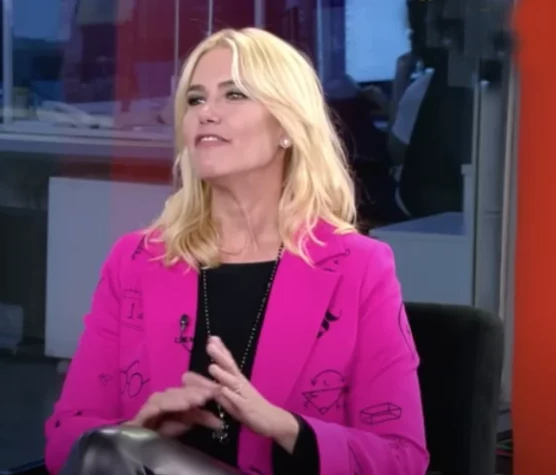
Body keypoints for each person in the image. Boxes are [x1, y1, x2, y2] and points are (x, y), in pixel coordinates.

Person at [45, 27, 429, 475]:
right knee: (105, 450)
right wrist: (137, 432)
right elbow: (66, 438)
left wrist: (282, 426)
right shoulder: (136, 260)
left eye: (234, 95)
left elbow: (401, 459)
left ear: (286, 126)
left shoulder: (358, 267)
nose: (207, 112)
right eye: (195, 99)